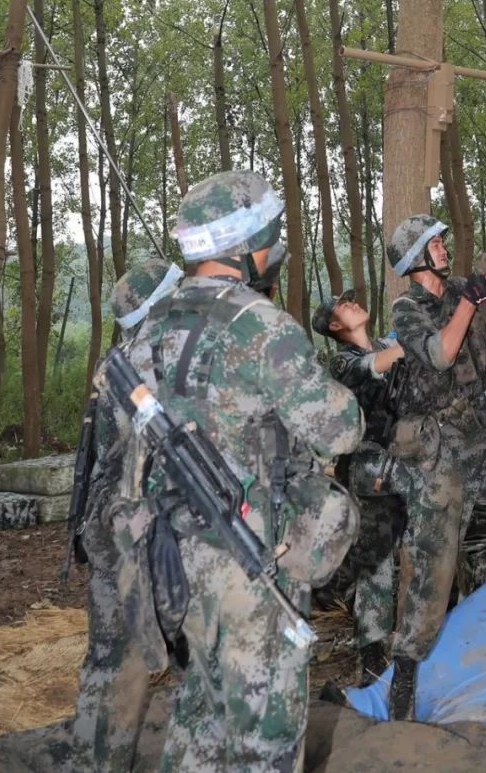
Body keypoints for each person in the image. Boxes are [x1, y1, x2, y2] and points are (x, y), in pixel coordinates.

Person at [124, 171, 362, 773]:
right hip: (252, 561)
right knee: (265, 731)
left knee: (202, 711)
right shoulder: (258, 323)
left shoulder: (151, 324)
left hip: (171, 558)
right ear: (249, 243)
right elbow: (339, 429)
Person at [384, 214, 486, 722]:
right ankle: (405, 670)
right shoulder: (407, 309)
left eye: (442, 239)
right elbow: (441, 354)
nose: (443, 246)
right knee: (435, 565)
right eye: (432, 243)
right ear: (414, 259)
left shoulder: (461, 288)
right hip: (442, 448)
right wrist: (467, 302)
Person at [68, 256, 183, 773]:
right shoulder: (154, 363)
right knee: (131, 659)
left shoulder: (118, 358)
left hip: (102, 522)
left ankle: (85, 755)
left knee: (103, 654)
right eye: (175, 290)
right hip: (133, 529)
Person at [313, 289, 406, 687]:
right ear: (335, 327)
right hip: (370, 473)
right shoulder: (341, 361)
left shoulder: (388, 341)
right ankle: (371, 657)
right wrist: (416, 341)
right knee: (376, 565)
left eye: (353, 299)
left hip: (411, 464)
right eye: (342, 306)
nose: (352, 302)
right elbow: (379, 363)